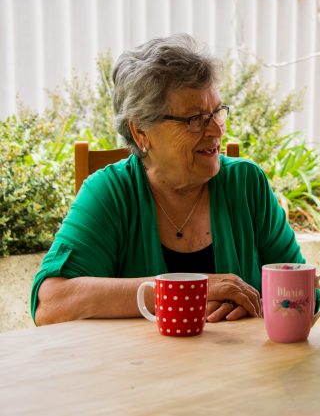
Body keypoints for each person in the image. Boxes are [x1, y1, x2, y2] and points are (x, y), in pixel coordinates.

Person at [31, 34, 305, 325]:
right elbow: (51, 304)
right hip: (141, 368)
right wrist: (186, 292)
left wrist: (256, 307)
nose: (216, 131)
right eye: (195, 119)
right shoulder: (110, 193)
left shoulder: (246, 184)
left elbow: (305, 290)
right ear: (141, 132)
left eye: (216, 113)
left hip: (241, 364)